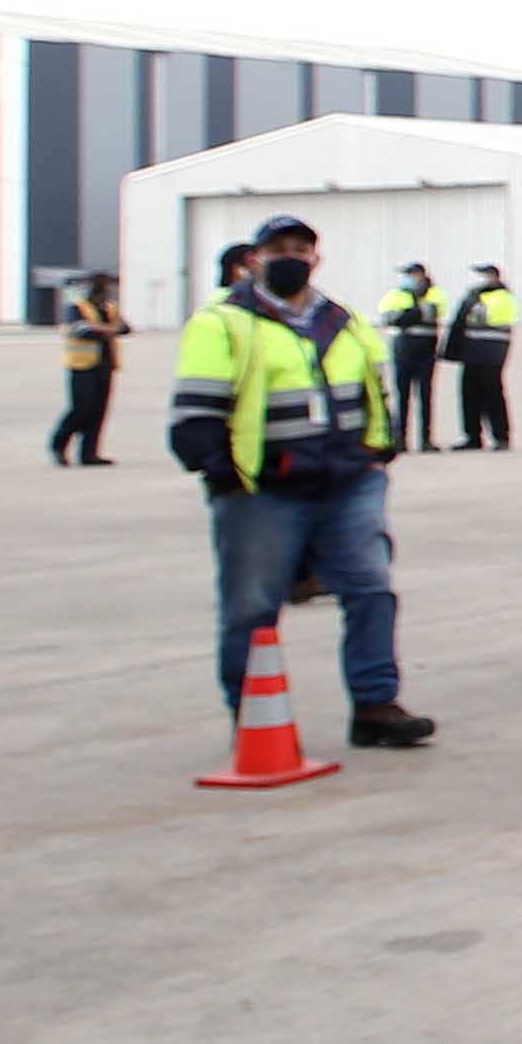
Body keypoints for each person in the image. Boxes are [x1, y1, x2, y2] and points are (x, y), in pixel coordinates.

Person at [168, 216, 435, 749]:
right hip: (262, 490)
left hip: (347, 483)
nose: (289, 257)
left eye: (300, 248)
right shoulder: (223, 322)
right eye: (276, 249)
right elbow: (195, 411)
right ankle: (253, 719)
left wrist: (378, 452)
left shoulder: (344, 320)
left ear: (316, 258)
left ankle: (375, 704)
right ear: (254, 259)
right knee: (252, 606)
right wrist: (220, 469)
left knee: (371, 590)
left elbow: (375, 392)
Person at [49, 273, 131, 465]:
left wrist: (102, 328)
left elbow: (125, 328)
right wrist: (110, 329)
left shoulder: (109, 308)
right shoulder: (76, 307)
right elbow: (82, 331)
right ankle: (58, 445)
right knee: (81, 409)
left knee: (99, 411)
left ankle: (89, 453)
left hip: (105, 365)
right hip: (81, 366)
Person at [445, 263, 517, 449]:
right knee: (469, 395)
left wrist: (475, 306)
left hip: (491, 353)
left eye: (484, 275)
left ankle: (501, 437)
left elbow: (487, 318)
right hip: (471, 352)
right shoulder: (476, 296)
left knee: (492, 395)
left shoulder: (503, 296)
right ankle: (472, 436)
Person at [378, 262, 447, 454]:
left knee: (425, 396)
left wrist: (409, 314)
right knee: (402, 396)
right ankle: (400, 439)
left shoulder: (435, 293)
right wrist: (413, 313)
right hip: (403, 351)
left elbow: (432, 313)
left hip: (425, 351)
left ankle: (426, 440)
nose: (408, 278)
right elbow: (389, 318)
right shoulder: (395, 294)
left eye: (411, 274)